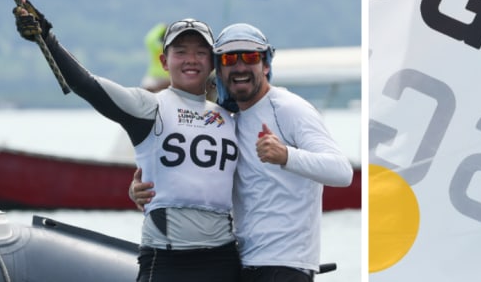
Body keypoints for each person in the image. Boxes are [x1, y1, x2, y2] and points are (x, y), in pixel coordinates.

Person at [12, 1, 241, 282]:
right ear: (164, 62)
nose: (191, 59)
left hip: (223, 259)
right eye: (181, 52)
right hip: (167, 260)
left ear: (213, 62)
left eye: (201, 53)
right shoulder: (148, 106)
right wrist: (47, 37)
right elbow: (87, 84)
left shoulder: (230, 118)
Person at [132, 22, 354, 282]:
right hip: (242, 263)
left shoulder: (290, 109)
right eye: (229, 59)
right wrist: (142, 190)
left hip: (284, 266)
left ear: (266, 65)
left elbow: (342, 172)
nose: (239, 67)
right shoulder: (229, 120)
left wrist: (286, 155)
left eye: (250, 57)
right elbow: (206, 181)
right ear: (219, 69)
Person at [140, 22, 170, 92]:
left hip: (163, 79)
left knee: (147, 88)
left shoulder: (156, 48)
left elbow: (150, 39)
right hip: (158, 78)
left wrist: (162, 27)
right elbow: (150, 39)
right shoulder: (160, 49)